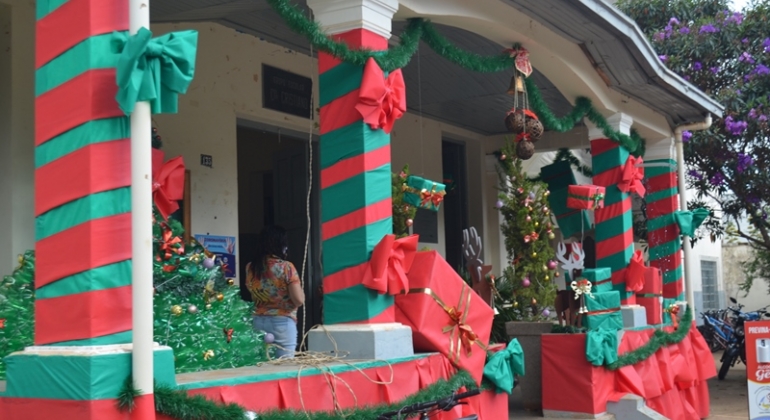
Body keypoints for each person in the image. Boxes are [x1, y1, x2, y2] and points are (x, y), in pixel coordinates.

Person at [244, 225, 305, 358]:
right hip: (282, 322)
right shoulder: (286, 267)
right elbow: (298, 300)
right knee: (284, 367)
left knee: (261, 363)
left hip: (257, 320)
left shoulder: (250, 267)